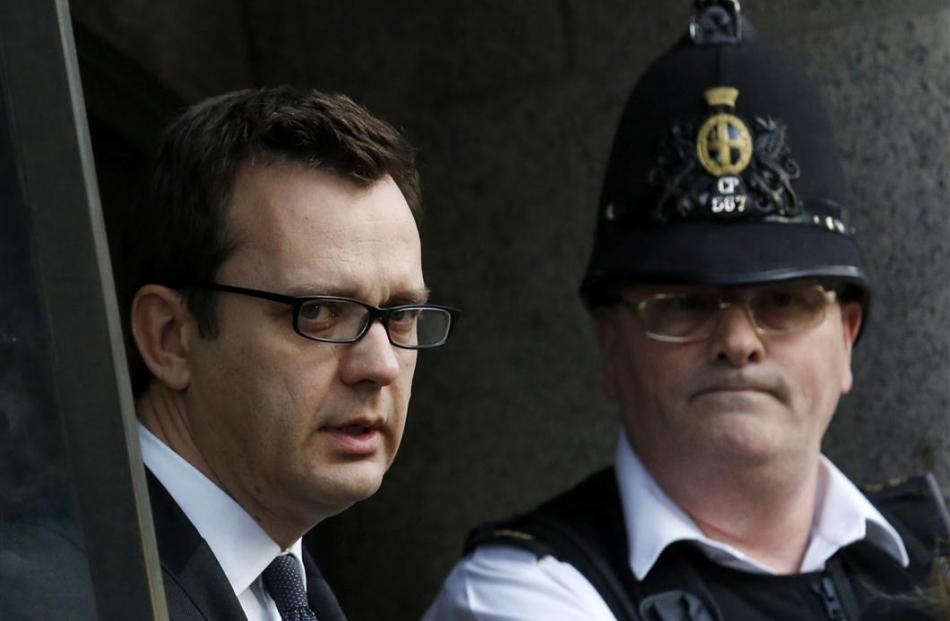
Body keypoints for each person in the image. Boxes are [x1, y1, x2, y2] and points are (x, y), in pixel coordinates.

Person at [422, 2, 948, 620]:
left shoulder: (929, 552)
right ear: (611, 345)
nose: (737, 340)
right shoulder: (522, 592)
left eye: (783, 302)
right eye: (684, 305)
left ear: (847, 336)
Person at [126, 85, 458, 621]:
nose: (380, 365)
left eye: (399, 315)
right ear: (170, 337)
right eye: (318, 312)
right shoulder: (62, 588)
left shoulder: (291, 591)